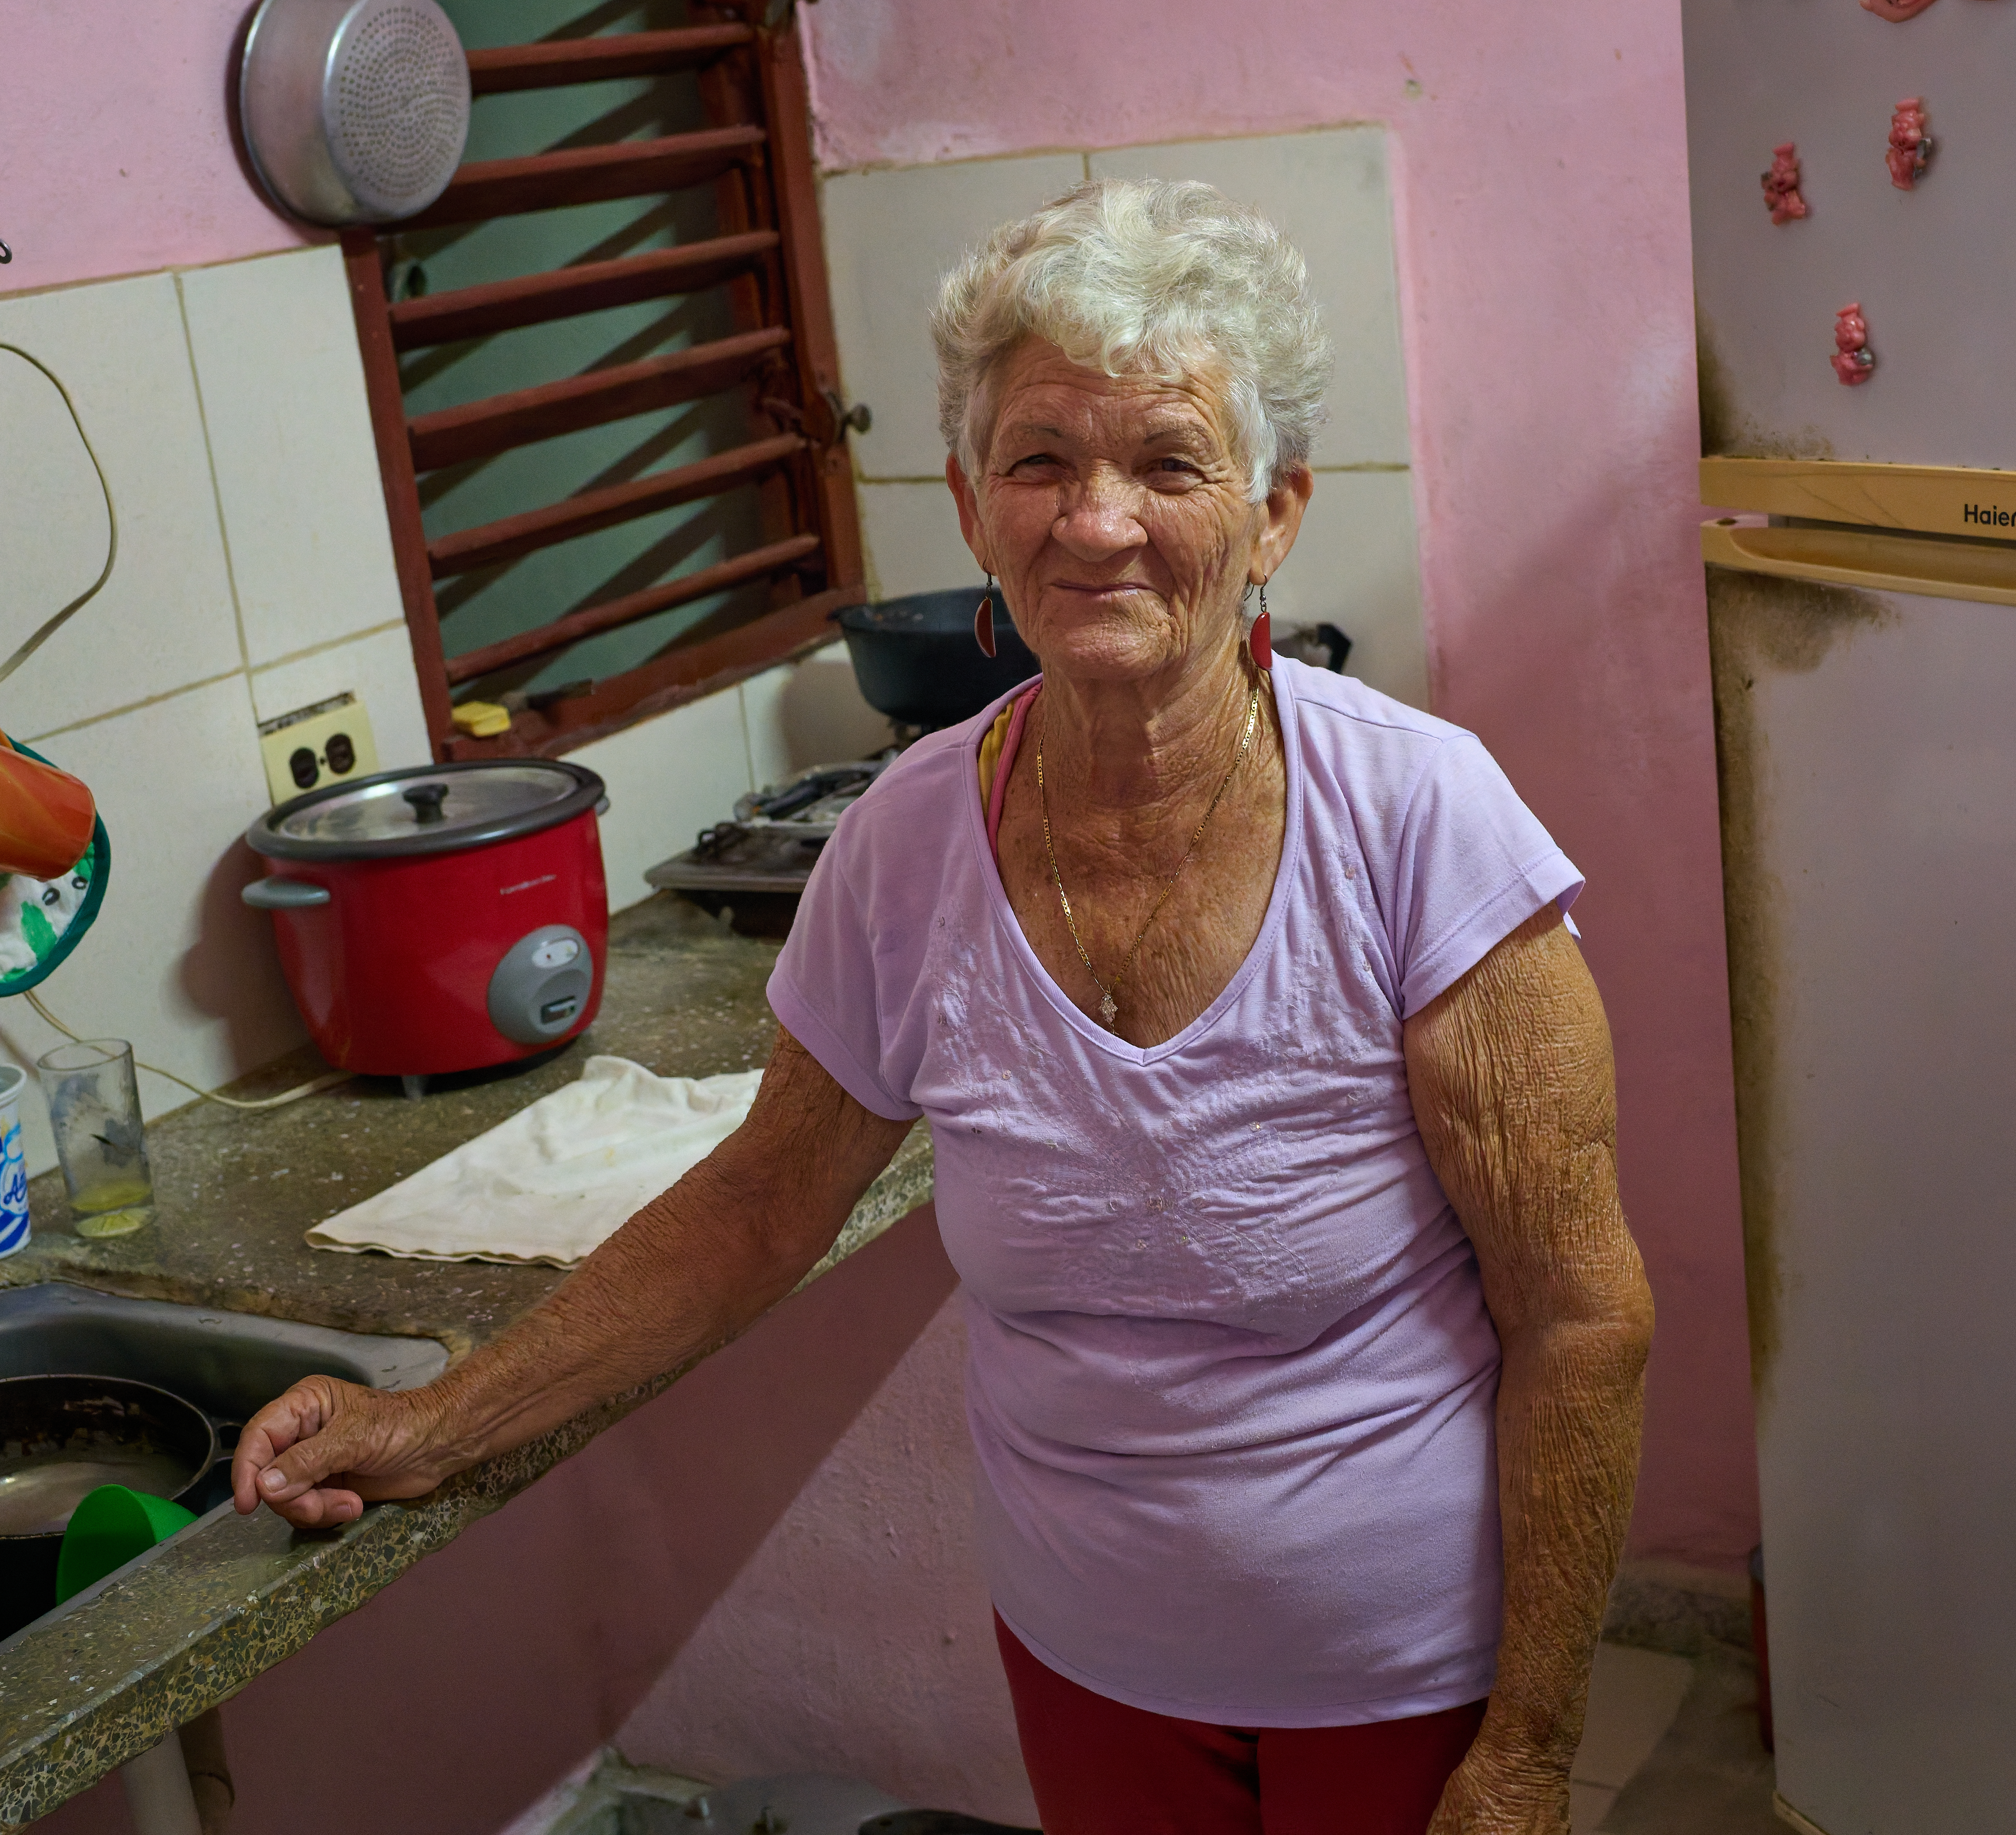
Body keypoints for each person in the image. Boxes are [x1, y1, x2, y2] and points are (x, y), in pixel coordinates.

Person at [233, 179, 1652, 1835]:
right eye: (1038, 458)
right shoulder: (903, 847)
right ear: (973, 505)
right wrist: (435, 1424)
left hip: (1394, 1661)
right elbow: (758, 1208)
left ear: (1272, 517)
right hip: (1088, 1655)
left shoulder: (1417, 821)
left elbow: (1578, 1313)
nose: (1095, 520)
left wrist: (1532, 1747)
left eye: (1169, 464)